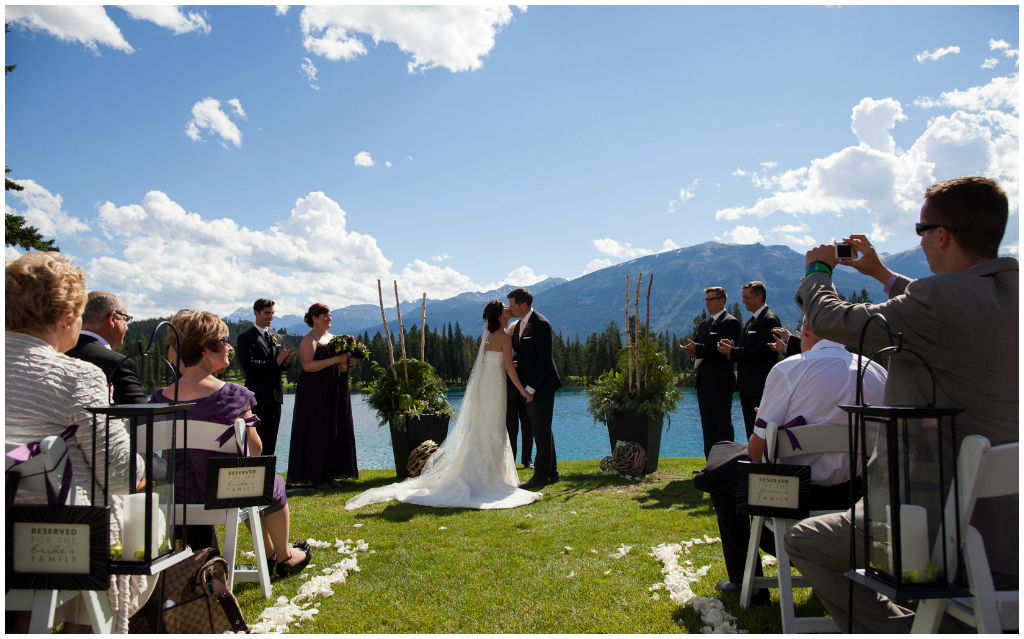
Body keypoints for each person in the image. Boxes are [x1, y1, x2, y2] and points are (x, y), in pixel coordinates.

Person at [784, 176, 1018, 633]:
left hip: (936, 524)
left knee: (805, 541)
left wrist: (818, 273)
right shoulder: (1005, 296)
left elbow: (834, 320)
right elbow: (937, 308)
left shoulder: (939, 300)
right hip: (1010, 533)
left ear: (941, 235)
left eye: (920, 228)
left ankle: (899, 630)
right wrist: (882, 275)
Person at [6, 252, 147, 633]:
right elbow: (119, 474)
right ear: (66, 316)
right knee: (146, 516)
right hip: (53, 543)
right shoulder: (76, 376)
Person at [708, 318, 887, 601]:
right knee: (724, 462)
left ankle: (748, 584)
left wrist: (766, 424)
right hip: (856, 509)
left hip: (790, 510)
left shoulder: (790, 369)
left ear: (806, 332)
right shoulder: (876, 371)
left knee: (721, 471)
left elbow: (758, 454)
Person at [151, 310, 312, 578]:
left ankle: (271, 554)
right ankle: (284, 556)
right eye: (224, 341)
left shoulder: (158, 399)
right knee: (269, 481)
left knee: (247, 481)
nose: (229, 347)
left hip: (176, 497)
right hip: (225, 495)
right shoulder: (232, 396)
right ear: (206, 351)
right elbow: (255, 450)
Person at [345, 301, 542, 510]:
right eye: (504, 306)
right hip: (496, 385)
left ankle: (486, 473)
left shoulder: (491, 335)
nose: (508, 307)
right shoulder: (503, 336)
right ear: (499, 314)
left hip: (487, 385)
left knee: (485, 428)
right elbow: (510, 369)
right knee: (493, 429)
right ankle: (490, 477)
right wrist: (523, 390)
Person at [286, 303, 359, 490]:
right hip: (315, 392)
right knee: (318, 430)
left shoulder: (334, 338)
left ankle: (331, 474)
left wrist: (350, 363)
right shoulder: (308, 339)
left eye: (329, 315)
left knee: (334, 428)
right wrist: (335, 360)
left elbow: (340, 363)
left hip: (335, 387)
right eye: (324, 315)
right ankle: (316, 477)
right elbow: (308, 366)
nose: (328, 318)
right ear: (314, 319)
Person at [507, 288, 564, 489]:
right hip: (529, 386)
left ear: (524, 305)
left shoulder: (541, 324)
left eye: (512, 305)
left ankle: (540, 477)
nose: (509, 308)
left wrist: (530, 388)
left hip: (542, 385)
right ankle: (552, 473)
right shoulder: (520, 325)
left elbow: (544, 361)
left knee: (540, 429)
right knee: (543, 429)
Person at [715, 281, 781, 438]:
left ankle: (762, 460)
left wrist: (733, 351)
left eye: (747, 297)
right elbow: (748, 350)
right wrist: (732, 350)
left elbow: (761, 352)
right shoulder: (751, 321)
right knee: (751, 430)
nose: (743, 301)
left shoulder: (769, 320)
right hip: (747, 387)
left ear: (759, 297)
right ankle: (753, 458)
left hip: (759, 386)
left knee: (761, 431)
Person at [680, 286, 741, 457]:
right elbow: (700, 347)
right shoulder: (704, 323)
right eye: (706, 300)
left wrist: (698, 349)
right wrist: (691, 351)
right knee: (708, 427)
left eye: (711, 299)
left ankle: (726, 464)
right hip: (703, 383)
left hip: (720, 383)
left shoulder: (731, 322)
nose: (707, 303)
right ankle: (710, 465)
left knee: (722, 426)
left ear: (722, 301)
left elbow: (722, 350)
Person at [236, 298, 295, 457]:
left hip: (275, 397)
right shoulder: (246, 338)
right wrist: (276, 362)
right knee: (256, 440)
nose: (270, 316)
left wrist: (286, 363)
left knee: (271, 440)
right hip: (257, 397)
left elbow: (279, 366)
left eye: (272, 313)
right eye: (266, 313)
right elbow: (249, 366)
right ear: (256, 313)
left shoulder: (278, 338)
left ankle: (268, 477)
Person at [65, 290, 148, 404]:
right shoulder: (118, 364)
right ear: (113, 318)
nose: (127, 327)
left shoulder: (57, 352)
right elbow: (142, 415)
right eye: (126, 319)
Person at [504, 305, 534, 469]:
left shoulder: (525, 349)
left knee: (527, 426)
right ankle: (511, 459)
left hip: (524, 391)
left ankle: (527, 459)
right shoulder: (506, 345)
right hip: (509, 393)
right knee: (511, 429)